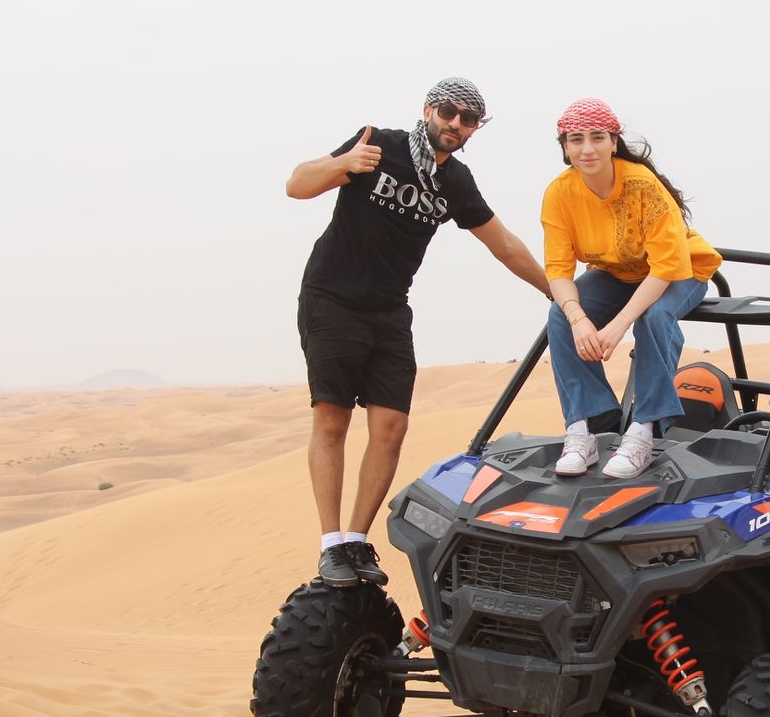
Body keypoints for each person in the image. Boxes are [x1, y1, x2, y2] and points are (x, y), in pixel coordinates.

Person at [287, 77, 550, 588]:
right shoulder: (378, 143)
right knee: (333, 420)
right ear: (429, 110)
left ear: (476, 129)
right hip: (332, 299)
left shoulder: (456, 182)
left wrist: (558, 293)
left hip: (389, 311)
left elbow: (505, 245)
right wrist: (344, 165)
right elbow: (296, 184)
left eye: (468, 119)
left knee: (391, 427)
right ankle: (329, 544)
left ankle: (356, 542)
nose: (455, 124)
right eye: (449, 112)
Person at [542, 97, 722, 479]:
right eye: (576, 140)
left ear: (614, 142)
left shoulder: (643, 186)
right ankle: (587, 423)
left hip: (679, 271)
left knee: (654, 317)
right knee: (560, 313)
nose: (586, 149)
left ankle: (644, 429)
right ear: (564, 146)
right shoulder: (560, 193)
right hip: (616, 273)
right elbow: (558, 270)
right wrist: (578, 320)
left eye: (596, 137)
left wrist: (621, 323)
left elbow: (666, 267)